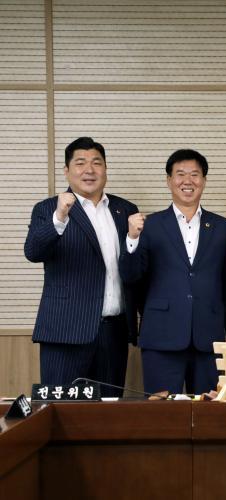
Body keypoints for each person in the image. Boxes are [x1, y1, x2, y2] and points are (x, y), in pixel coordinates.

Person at [120, 149, 226, 395]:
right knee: (162, 411)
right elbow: (131, 277)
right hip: (161, 336)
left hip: (209, 338)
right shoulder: (149, 225)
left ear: (204, 181)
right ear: (169, 181)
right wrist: (132, 237)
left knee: (210, 409)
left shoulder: (223, 228)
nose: (188, 181)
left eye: (195, 175)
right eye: (180, 174)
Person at [24, 137, 139, 397]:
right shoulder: (47, 208)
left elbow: (133, 269)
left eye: (97, 163)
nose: (89, 169)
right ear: (67, 171)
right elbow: (33, 252)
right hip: (66, 331)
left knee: (109, 410)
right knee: (61, 410)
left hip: (113, 332)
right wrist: (59, 217)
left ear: (105, 169)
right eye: (80, 163)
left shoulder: (125, 210)